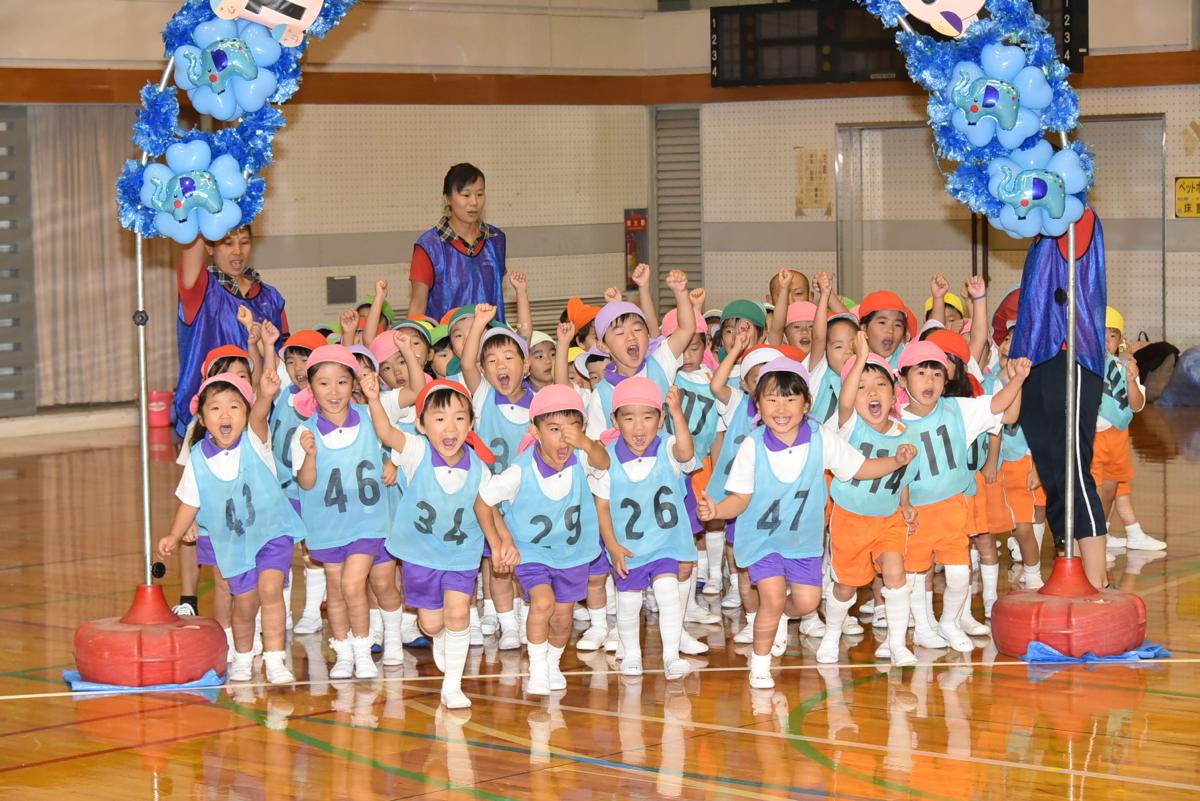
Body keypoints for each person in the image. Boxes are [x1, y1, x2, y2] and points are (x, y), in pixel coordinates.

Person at [697, 357, 914, 688]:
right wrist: (718, 511)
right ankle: (760, 664)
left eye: (790, 398)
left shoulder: (820, 437)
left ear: (806, 403)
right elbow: (740, 498)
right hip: (762, 540)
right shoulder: (752, 446)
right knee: (769, 597)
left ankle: (782, 616)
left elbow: (858, 468)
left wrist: (894, 462)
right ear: (758, 405)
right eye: (771, 398)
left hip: (803, 542)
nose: (781, 407)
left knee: (808, 602)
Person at [362, 376, 518, 709]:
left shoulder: (479, 467)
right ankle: (441, 637)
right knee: (432, 623)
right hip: (420, 554)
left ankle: (453, 686)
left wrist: (504, 541)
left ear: (471, 423)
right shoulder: (416, 452)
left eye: (460, 418)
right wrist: (374, 399)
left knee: (459, 613)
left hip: (462, 554)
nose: (450, 428)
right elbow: (387, 433)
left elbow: (489, 508)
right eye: (440, 418)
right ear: (421, 424)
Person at [157, 370, 302, 684]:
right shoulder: (198, 459)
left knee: (271, 590)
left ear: (246, 413)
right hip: (234, 543)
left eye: (235, 406)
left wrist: (264, 394)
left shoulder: (254, 439)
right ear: (203, 419)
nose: (225, 414)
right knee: (245, 602)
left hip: (272, 533)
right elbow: (189, 502)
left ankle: (275, 659)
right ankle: (243, 655)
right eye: (215, 408)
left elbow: (262, 411)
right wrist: (174, 533)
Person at [478, 385, 610, 694]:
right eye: (553, 429)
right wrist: (500, 543)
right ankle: (537, 669)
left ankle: (551, 662)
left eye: (572, 427)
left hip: (573, 553)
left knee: (563, 619)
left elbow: (604, 462)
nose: (564, 437)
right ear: (534, 431)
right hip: (532, 552)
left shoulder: (582, 457)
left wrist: (587, 443)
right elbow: (483, 501)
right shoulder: (520, 470)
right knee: (543, 602)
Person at [1011, 207, 1110, 589]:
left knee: (1072, 471)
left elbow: (1071, 203)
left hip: (1071, 357)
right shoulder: (1039, 241)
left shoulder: (1074, 218)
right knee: (1053, 474)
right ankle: (1071, 570)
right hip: (1034, 363)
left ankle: (1098, 581)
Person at [292, 346, 404, 680]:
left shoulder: (371, 416)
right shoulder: (305, 432)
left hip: (369, 521)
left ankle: (363, 649)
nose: (334, 391)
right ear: (311, 388)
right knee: (337, 590)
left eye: (342, 382)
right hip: (329, 525)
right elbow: (306, 483)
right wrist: (310, 456)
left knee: (354, 584)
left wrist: (391, 462)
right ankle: (342, 650)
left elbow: (398, 441)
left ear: (353, 383)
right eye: (324, 383)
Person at [175, 227, 289, 437]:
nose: (237, 251)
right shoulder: (202, 289)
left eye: (244, 242)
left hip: (257, 411)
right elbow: (190, 248)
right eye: (228, 243)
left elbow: (282, 361)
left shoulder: (272, 298)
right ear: (209, 247)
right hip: (207, 414)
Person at [407, 164, 507, 323]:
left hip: (490, 343)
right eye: (466, 195)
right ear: (447, 198)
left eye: (480, 194)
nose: (474, 202)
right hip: (447, 344)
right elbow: (418, 306)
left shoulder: (496, 240)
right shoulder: (429, 246)